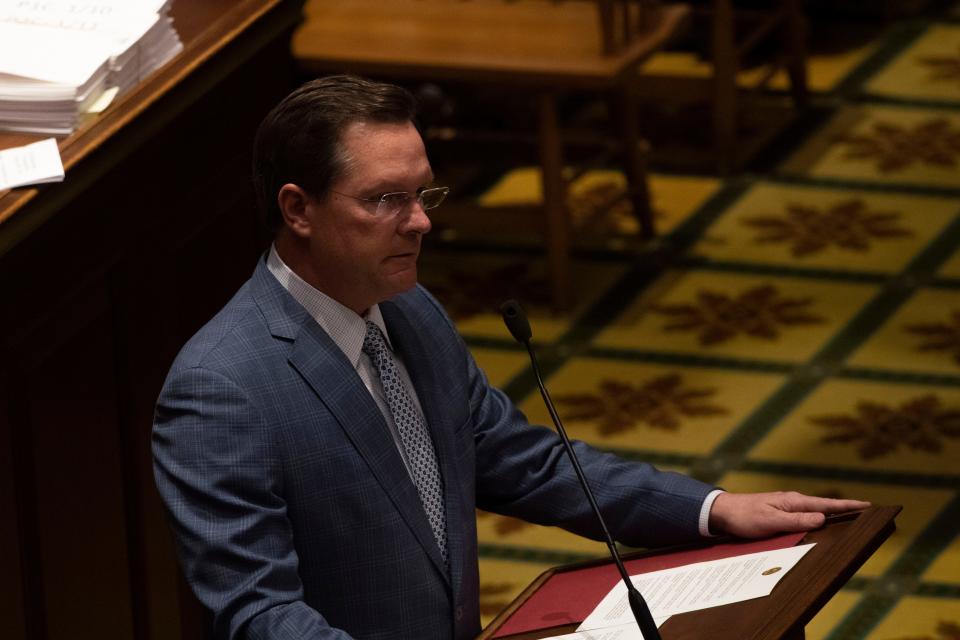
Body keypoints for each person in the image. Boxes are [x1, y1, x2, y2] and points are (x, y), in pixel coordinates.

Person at [152, 75, 869, 640]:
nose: (423, 221)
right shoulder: (222, 389)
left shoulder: (412, 313)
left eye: (423, 193)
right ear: (298, 209)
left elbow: (523, 463)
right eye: (384, 200)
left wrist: (712, 509)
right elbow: (259, 613)